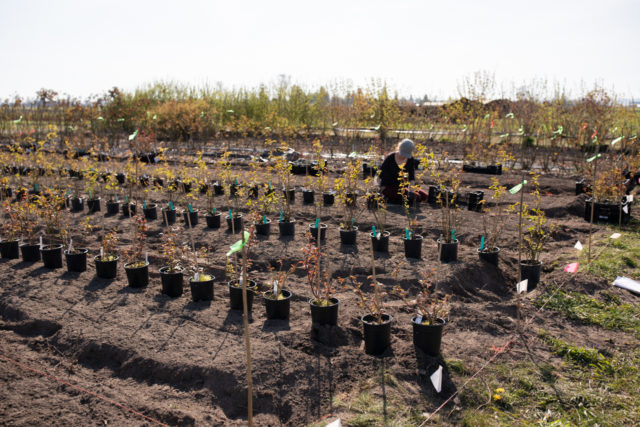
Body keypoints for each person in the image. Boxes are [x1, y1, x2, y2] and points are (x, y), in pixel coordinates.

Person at [378, 139, 428, 204]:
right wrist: (379, 189)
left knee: (425, 196)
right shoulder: (390, 158)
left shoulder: (410, 159)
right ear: (399, 148)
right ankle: (389, 198)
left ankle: (398, 199)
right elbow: (380, 175)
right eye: (403, 154)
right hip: (389, 186)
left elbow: (411, 177)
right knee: (417, 197)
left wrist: (411, 190)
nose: (404, 156)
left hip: (403, 185)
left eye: (406, 154)